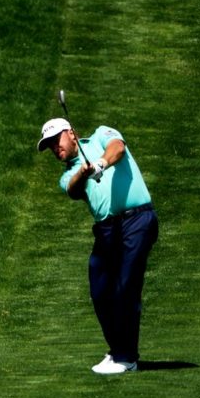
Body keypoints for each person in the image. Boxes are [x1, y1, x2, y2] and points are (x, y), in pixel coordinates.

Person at [37, 117, 159, 374]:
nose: (53, 148)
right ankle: (117, 350)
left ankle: (127, 357)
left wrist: (101, 163)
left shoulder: (101, 134)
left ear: (71, 133)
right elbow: (72, 189)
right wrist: (84, 170)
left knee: (126, 285)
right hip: (107, 230)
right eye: (48, 146)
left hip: (137, 219)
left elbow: (118, 148)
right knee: (100, 287)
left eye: (55, 141)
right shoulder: (69, 173)